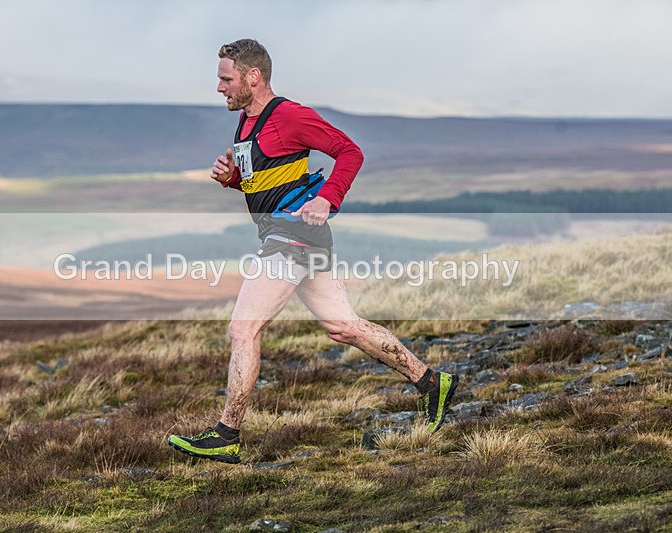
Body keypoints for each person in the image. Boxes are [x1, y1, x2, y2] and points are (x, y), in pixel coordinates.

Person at [168, 39, 457, 464]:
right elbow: (265, 182)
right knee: (344, 327)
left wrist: (327, 198)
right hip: (290, 238)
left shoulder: (288, 116)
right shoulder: (247, 125)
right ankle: (431, 381)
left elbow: (349, 151)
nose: (219, 88)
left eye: (226, 79)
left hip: (294, 239)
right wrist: (232, 178)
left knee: (242, 329)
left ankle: (227, 433)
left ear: (253, 76)